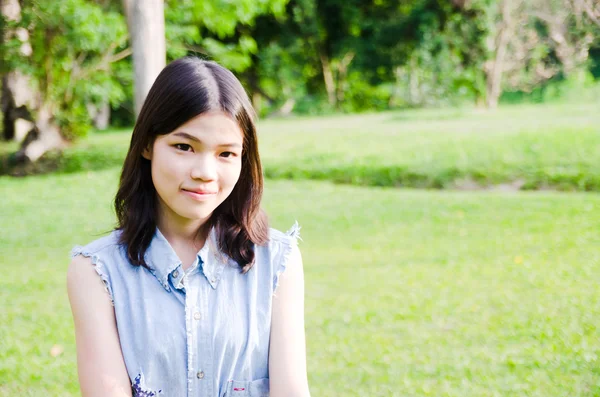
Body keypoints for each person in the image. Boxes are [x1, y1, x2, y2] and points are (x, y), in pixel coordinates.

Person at [67, 57, 310, 397]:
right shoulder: (96, 272)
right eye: (184, 147)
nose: (205, 172)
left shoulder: (277, 261)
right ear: (148, 145)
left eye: (226, 154)